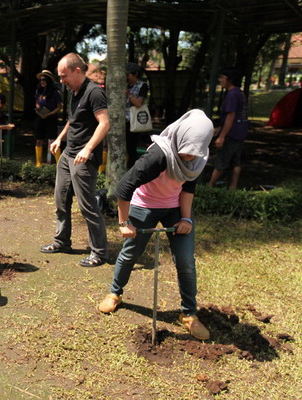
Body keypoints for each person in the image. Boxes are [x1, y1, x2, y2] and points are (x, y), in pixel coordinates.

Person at [97, 109, 213, 341]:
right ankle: (115, 294)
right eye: (186, 152)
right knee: (131, 253)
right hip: (144, 205)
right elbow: (124, 188)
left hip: (174, 208)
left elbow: (188, 188)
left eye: (194, 152)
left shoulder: (197, 159)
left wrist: (186, 219)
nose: (189, 157)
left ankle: (189, 314)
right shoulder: (158, 155)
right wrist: (124, 222)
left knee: (186, 261)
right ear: (181, 137)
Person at [40, 53, 110, 268]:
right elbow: (73, 120)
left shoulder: (94, 92)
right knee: (60, 200)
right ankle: (62, 241)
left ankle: (99, 252)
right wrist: (60, 139)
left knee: (87, 205)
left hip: (83, 158)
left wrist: (88, 149)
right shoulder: (75, 92)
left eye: (64, 76)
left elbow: (105, 123)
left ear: (77, 71)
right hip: (68, 153)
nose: (62, 81)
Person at [209, 68, 248, 190]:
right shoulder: (239, 93)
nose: (221, 80)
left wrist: (221, 136)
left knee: (222, 161)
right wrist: (220, 128)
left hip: (232, 133)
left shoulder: (232, 95)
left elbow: (231, 116)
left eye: (223, 78)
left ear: (229, 80)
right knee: (236, 161)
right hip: (240, 132)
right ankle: (233, 187)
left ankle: (209, 187)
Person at [34, 70, 62, 167]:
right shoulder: (39, 90)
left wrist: (50, 113)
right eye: (41, 80)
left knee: (53, 140)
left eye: (44, 79)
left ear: (49, 80)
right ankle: (38, 162)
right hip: (40, 117)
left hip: (51, 118)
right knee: (38, 139)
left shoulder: (55, 92)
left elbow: (59, 106)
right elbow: (37, 101)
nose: (42, 81)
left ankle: (59, 163)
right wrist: (37, 108)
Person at [125, 62, 150, 168]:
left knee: (131, 149)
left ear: (135, 74)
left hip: (133, 122)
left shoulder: (142, 86)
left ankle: (131, 169)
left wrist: (128, 94)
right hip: (123, 120)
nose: (126, 77)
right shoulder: (125, 84)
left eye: (128, 74)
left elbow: (139, 103)